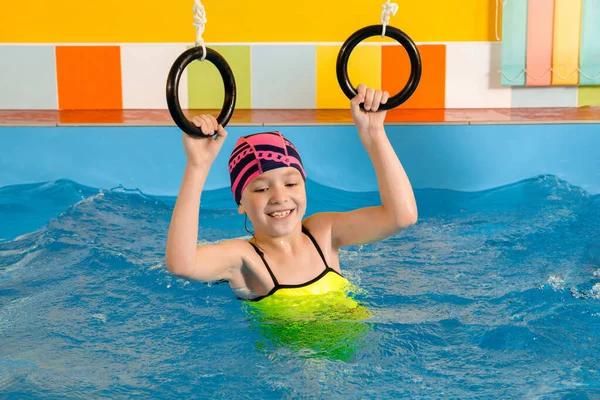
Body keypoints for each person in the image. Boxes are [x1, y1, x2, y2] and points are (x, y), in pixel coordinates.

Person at [165, 84, 418, 304]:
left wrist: (375, 134)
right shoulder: (244, 259)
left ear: (305, 187)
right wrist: (197, 167)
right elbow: (181, 264)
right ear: (240, 202)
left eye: (291, 184)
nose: (279, 197)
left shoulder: (324, 233)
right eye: (262, 188)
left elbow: (401, 216)